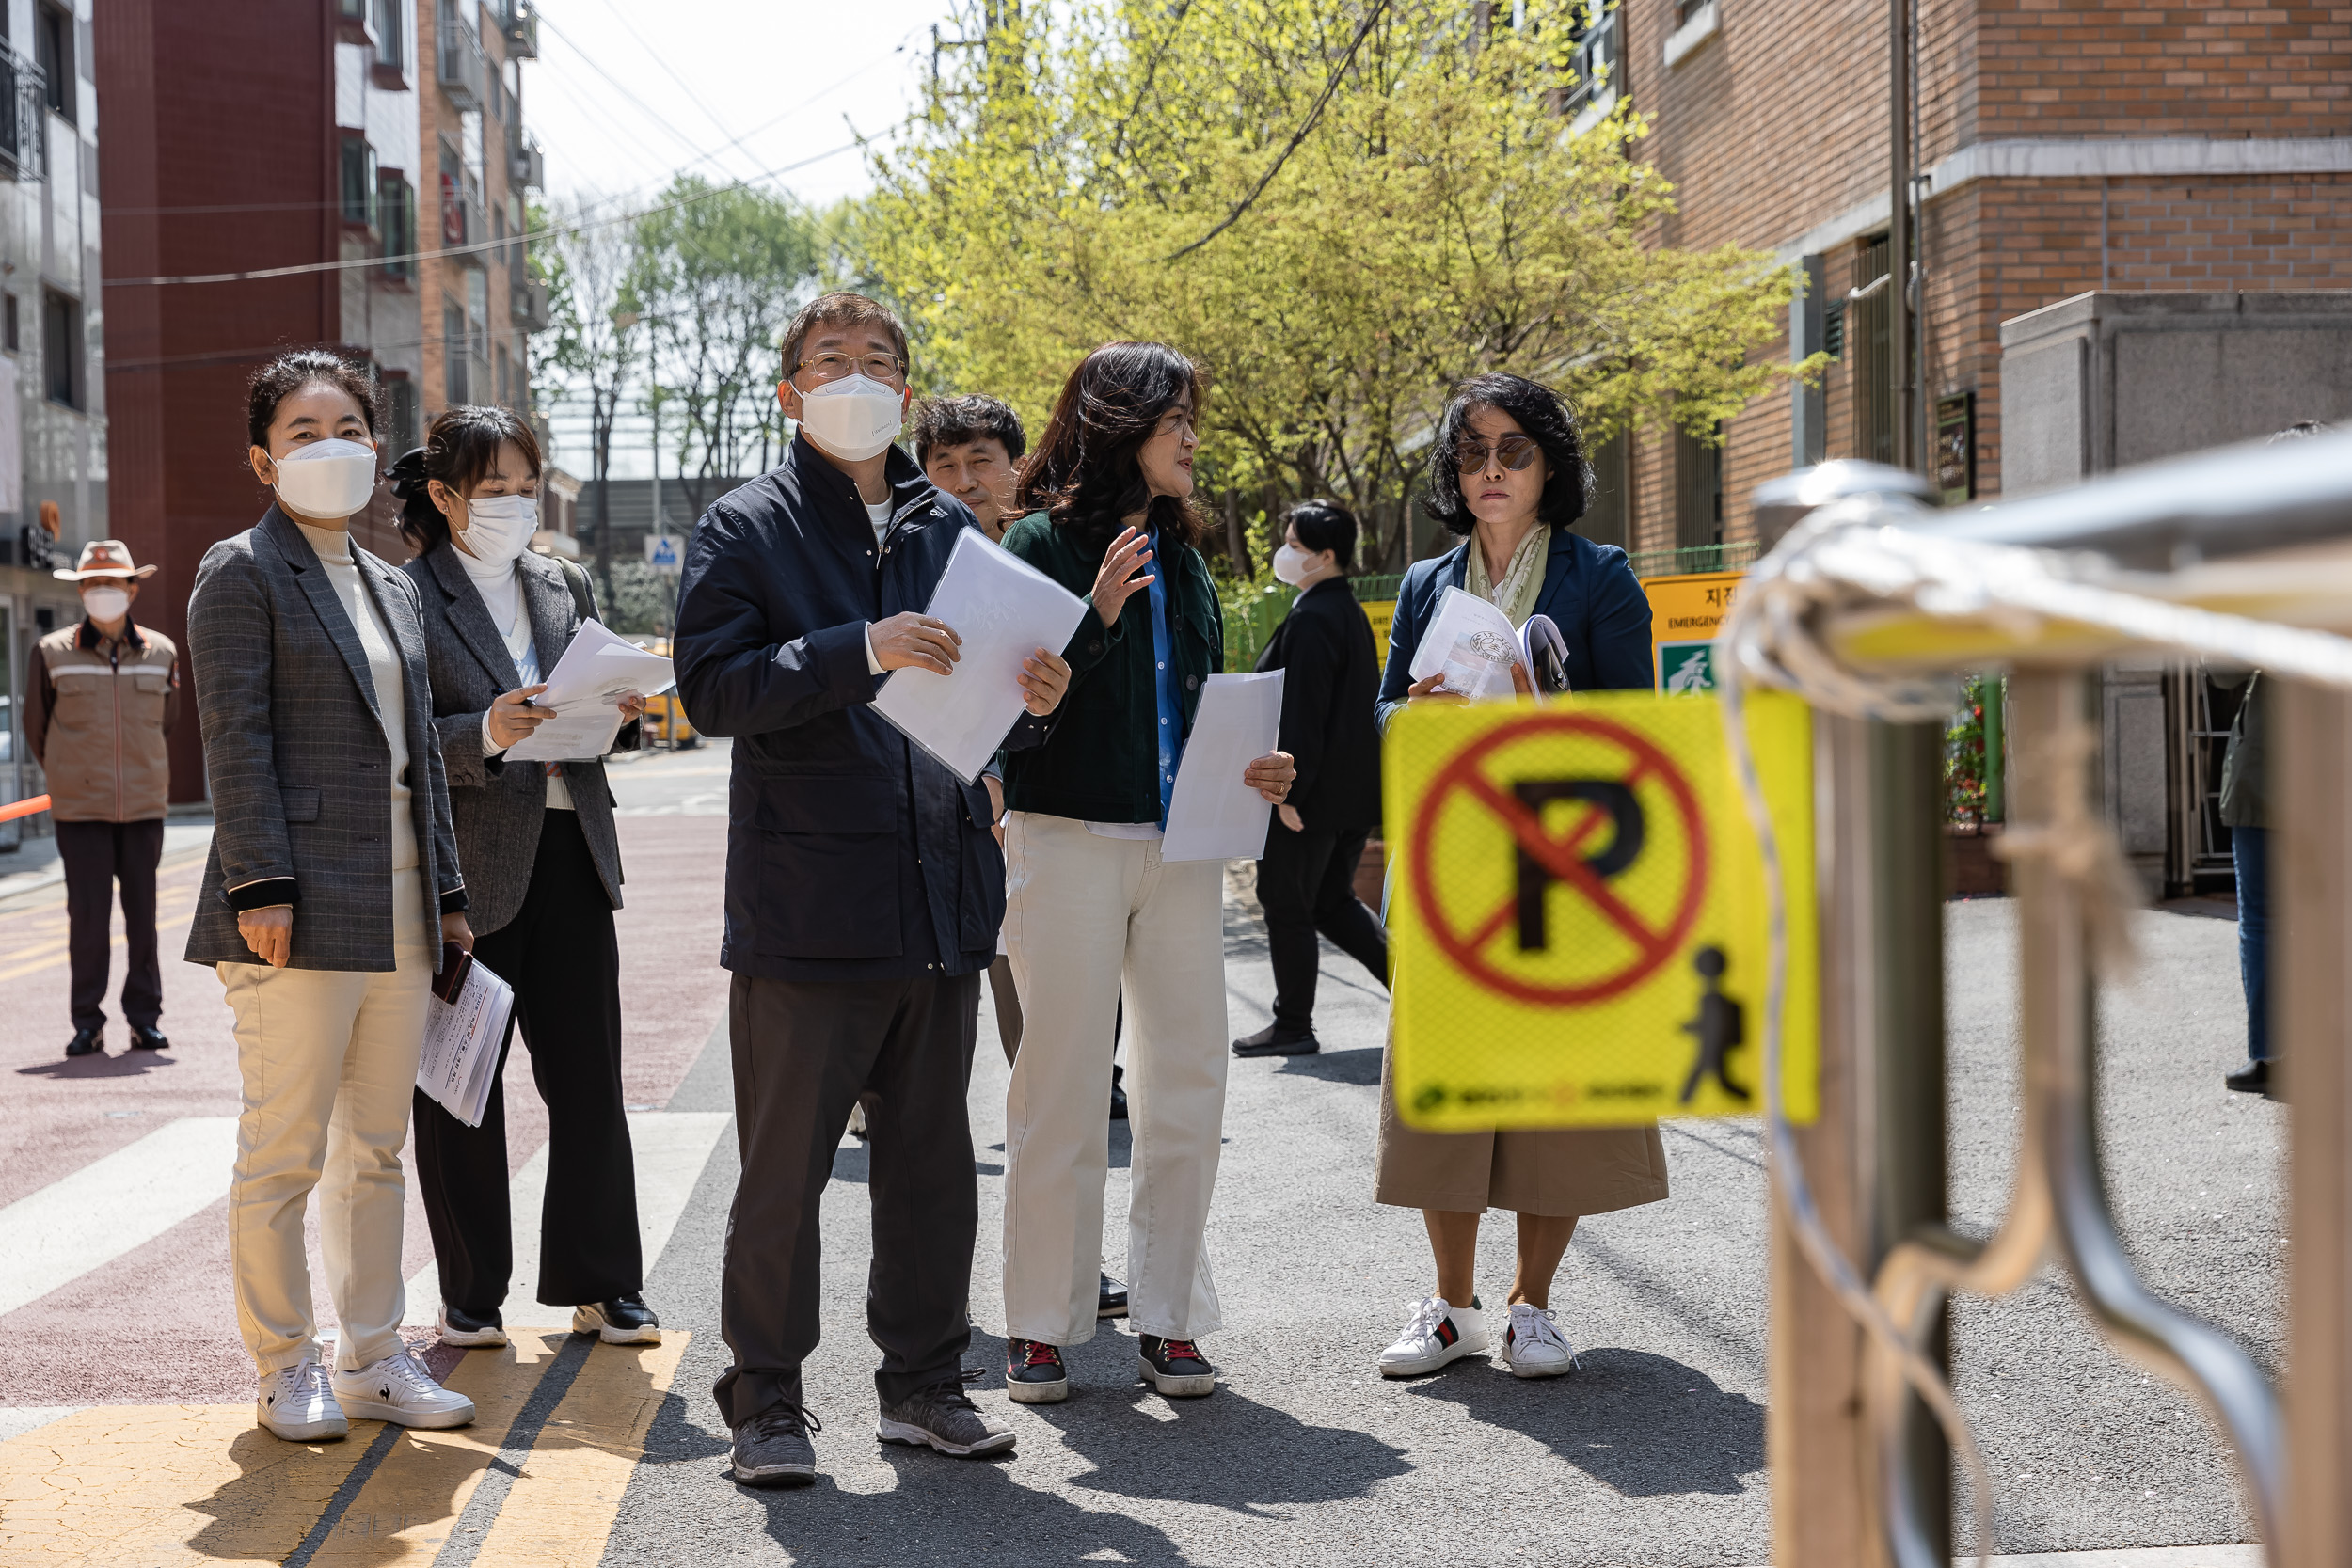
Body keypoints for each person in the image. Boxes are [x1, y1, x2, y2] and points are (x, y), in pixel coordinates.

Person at [672, 293, 1073, 1487]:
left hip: (939, 888)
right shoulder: (745, 524)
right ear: (790, 391)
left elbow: (982, 706)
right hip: (808, 899)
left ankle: (924, 1384)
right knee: (783, 1171)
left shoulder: (945, 521)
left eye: (880, 360)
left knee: (931, 1164)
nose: (859, 375)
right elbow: (715, 689)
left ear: (907, 390)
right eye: (831, 359)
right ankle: (769, 1398)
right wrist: (861, 647)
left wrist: (1030, 703)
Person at [993, 341, 1296, 1405]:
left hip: (1183, 848)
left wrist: (1254, 763)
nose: (1193, 439)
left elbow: (1203, 698)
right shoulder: (1034, 542)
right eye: (1179, 420)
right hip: (1063, 837)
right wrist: (1100, 615)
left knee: (1187, 1085)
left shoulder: (1187, 552)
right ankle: (1039, 1324)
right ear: (1124, 423)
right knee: (1062, 1087)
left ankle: (1169, 1319)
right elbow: (1016, 711)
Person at [183, 349, 477, 1443]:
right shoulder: (240, 570)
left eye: (349, 425)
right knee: (284, 1147)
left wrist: (447, 893)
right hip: (292, 907)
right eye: (304, 431)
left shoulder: (390, 579)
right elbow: (235, 737)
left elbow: (418, 758)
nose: (331, 445)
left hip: (399, 907)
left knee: (376, 1147)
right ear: (264, 458)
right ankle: (283, 1361)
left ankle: (373, 1353)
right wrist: (260, 881)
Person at [1370, 372, 1663, 1382]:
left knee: (1556, 1094)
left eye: (1512, 451)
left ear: (1549, 466)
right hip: (1454, 857)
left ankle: (1530, 1304)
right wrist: (1415, 712)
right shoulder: (1422, 583)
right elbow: (1381, 716)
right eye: (1471, 454)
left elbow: (1639, 730)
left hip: (1563, 864)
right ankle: (1450, 1307)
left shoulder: (1600, 576)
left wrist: (1551, 707)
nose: (1489, 470)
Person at [391, 406, 660, 1352]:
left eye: (523, 484)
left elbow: (585, 692)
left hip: (574, 852)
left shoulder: (562, 581)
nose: (513, 503)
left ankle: (603, 1281)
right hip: (465, 869)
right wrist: (487, 734)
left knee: (588, 1077)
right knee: (460, 1083)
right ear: (444, 495)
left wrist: (614, 708)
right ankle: (471, 1292)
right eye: (492, 486)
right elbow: (402, 740)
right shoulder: (405, 594)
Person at [914, 391, 1133, 1323]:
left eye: (982, 464)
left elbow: (1076, 713)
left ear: (1017, 467)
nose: (966, 485)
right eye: (945, 468)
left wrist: (1022, 750)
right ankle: (939, 1289)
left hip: (1032, 840)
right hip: (924, 841)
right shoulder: (905, 563)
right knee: (926, 1069)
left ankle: (1070, 1264)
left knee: (1056, 1056)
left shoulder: (1050, 563)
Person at [1232, 499, 1388, 1057]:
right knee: (1329, 901)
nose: (1285, 553)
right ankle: (1420, 997)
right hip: (1348, 795)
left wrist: (1288, 794)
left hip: (1310, 795)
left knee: (1286, 901)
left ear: (1326, 556)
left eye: (1296, 546)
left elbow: (1304, 712)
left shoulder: (1314, 617)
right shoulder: (1341, 609)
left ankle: (1293, 1024)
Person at [2217, 417, 2333, 1096]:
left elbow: (2224, 668)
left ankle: (2275, 1058)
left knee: (2263, 916)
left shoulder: (2262, 561)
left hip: (2267, 764)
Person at [28, 541, 180, 1058]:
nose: (103, 593)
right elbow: (37, 729)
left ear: (133, 588)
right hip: (81, 811)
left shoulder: (162, 652)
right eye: (93, 585)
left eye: (113, 584)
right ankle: (87, 1023)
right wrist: (72, 777)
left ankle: (144, 1018)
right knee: (87, 920)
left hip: (143, 808)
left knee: (143, 917)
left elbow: (169, 721)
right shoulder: (51, 652)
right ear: (81, 591)